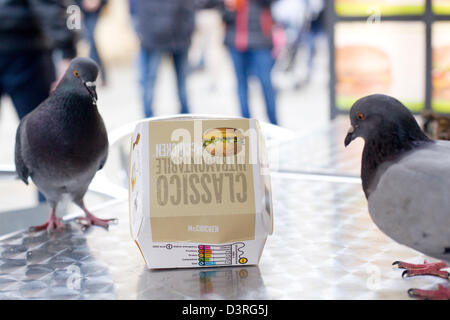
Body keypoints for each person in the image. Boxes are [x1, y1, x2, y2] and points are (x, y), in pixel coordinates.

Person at [0, 0, 77, 202]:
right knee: (42, 144)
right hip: (24, 48)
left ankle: (52, 213)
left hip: (23, 44)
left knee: (41, 142)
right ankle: (53, 216)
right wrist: (67, 51)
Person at [135, 0, 197, 118]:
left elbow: (190, 8)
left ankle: (186, 115)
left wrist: (188, 29)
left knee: (182, 80)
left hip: (179, 36)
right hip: (155, 38)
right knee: (150, 80)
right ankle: (148, 118)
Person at [222, 0, 278, 125]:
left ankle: (274, 124)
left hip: (260, 38)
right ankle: (245, 126)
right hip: (235, 38)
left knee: (266, 83)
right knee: (241, 84)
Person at [76, 0, 108, 85]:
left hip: (94, 12)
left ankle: (91, 75)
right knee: (90, 42)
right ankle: (102, 75)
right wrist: (78, 7)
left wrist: (98, 2)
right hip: (81, 10)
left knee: (91, 41)